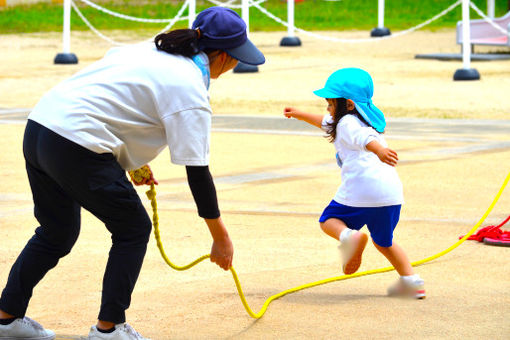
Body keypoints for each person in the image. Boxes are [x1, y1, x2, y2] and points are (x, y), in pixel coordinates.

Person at [0, 6, 265, 340]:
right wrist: (220, 238)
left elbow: (116, 98)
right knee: (132, 228)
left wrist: (135, 163)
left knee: (56, 231)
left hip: (41, 128)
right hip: (78, 143)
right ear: (225, 57)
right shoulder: (190, 89)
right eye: (237, 57)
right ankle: (109, 329)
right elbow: (198, 174)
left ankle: (6, 320)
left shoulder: (153, 49)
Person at [283, 67, 425, 299]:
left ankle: (350, 237)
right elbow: (326, 122)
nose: (327, 109)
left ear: (348, 104)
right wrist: (300, 114)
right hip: (390, 195)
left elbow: (363, 139)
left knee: (328, 220)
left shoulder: (348, 123)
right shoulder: (360, 121)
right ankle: (412, 282)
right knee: (384, 242)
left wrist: (379, 150)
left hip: (362, 189)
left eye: (330, 104)